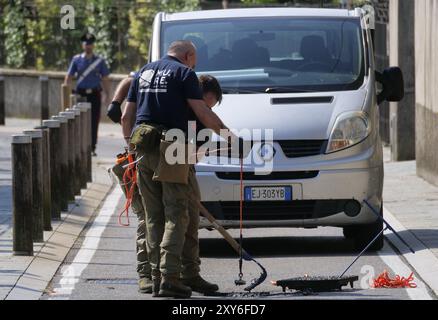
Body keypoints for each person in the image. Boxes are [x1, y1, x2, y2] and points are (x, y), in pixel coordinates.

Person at [121, 40, 240, 298]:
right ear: (188, 56)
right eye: (193, 62)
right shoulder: (184, 74)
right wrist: (232, 139)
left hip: (142, 146)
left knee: (154, 217)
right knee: (177, 215)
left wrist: (130, 151)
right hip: (171, 146)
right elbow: (202, 112)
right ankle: (170, 278)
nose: (193, 66)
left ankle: (162, 276)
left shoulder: (144, 71)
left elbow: (125, 117)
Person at [108, 73, 223, 297]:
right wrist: (115, 103)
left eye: (211, 107)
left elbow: (194, 156)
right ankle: (149, 275)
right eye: (206, 104)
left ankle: (189, 274)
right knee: (151, 218)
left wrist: (197, 151)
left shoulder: (202, 122)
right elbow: (130, 82)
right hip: (145, 160)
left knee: (187, 219)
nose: (207, 111)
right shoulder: (167, 97)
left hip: (181, 167)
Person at [64, 32, 111, 156]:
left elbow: (105, 78)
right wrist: (66, 94)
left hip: (95, 94)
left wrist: (107, 94)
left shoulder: (100, 61)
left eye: (90, 44)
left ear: (93, 46)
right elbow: (68, 77)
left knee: (94, 121)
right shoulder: (76, 60)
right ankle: (79, 147)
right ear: (82, 45)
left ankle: (92, 147)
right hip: (81, 95)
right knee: (79, 122)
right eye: (86, 44)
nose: (88, 46)